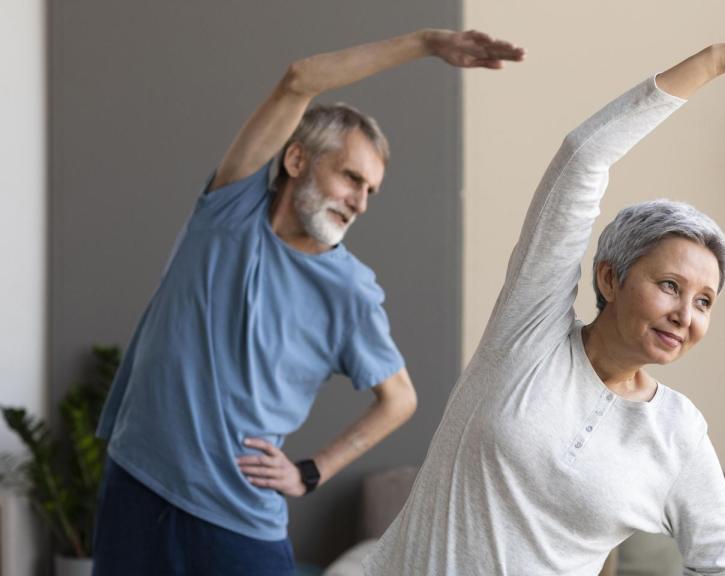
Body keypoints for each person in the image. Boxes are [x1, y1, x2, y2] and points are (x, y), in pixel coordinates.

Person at [365, 38, 725, 575]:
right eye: (669, 285)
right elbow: (583, 157)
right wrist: (715, 62)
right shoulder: (530, 333)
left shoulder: (676, 432)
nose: (685, 314)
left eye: (704, 301)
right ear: (610, 278)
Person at [91, 29, 525, 575]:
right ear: (296, 159)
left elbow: (401, 399)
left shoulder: (351, 291)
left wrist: (312, 471)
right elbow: (299, 80)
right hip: (136, 484)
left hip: (235, 518)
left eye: (371, 191)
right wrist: (426, 44)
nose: (360, 202)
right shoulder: (230, 209)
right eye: (351, 178)